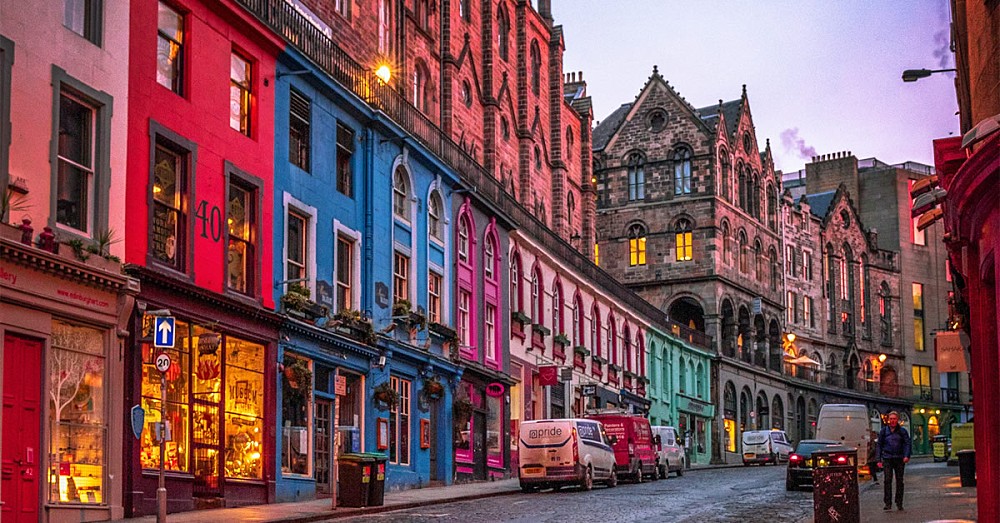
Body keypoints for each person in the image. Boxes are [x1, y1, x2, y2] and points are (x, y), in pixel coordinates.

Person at [876, 411, 912, 511]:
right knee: (887, 480)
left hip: (899, 458)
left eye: (894, 419)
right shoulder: (884, 431)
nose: (892, 421)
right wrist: (878, 459)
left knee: (899, 481)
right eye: (891, 419)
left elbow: (907, 444)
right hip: (887, 458)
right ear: (888, 420)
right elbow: (879, 445)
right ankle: (888, 503)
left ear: (897, 420)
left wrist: (906, 455)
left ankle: (899, 502)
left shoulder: (902, 431)